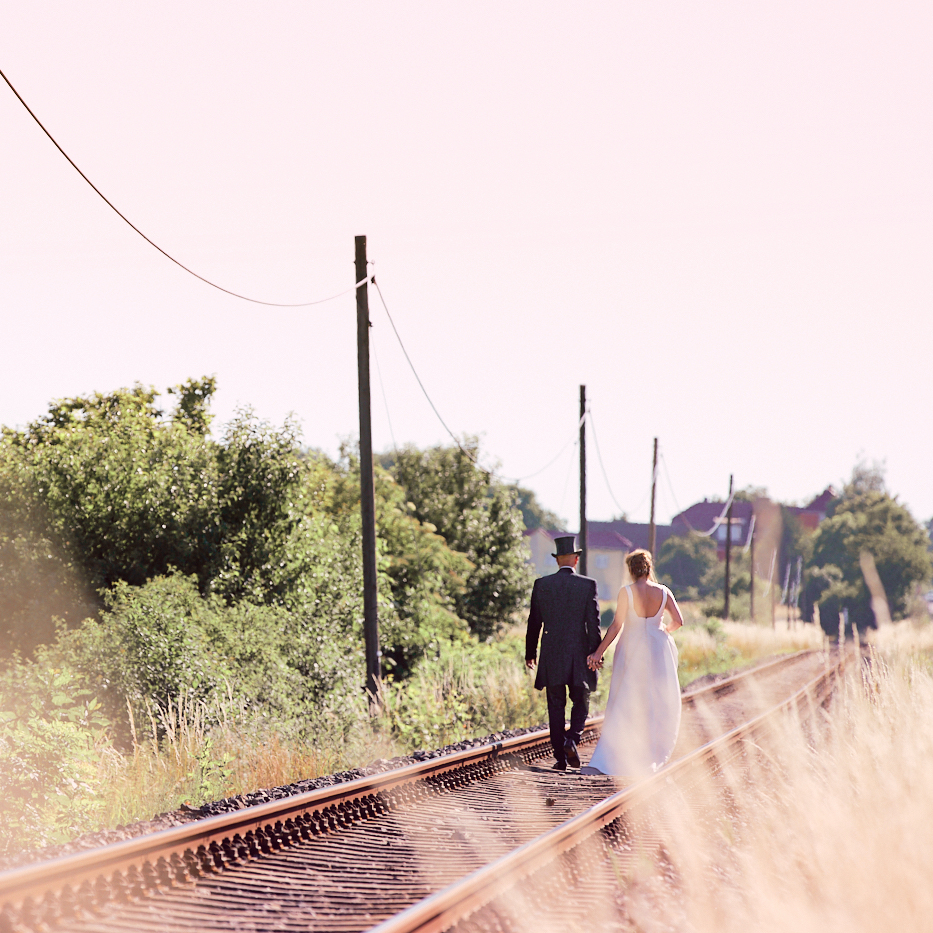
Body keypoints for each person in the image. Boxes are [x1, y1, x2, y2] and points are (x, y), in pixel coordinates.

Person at [581, 548, 684, 778]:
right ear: (649, 568)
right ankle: (650, 753)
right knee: (656, 700)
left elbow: (616, 626)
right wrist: (663, 632)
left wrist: (598, 652)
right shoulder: (664, 592)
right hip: (658, 648)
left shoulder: (626, 592)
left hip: (632, 647)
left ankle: (618, 754)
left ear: (631, 569)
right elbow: (679, 621)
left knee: (625, 699)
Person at [525, 535, 602, 771]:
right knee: (582, 699)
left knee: (555, 705)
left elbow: (534, 622)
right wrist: (595, 652)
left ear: (558, 560)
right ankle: (572, 739)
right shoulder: (588, 585)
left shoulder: (542, 584)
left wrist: (530, 653)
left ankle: (560, 757)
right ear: (576, 559)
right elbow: (593, 623)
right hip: (579, 653)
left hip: (551, 654)